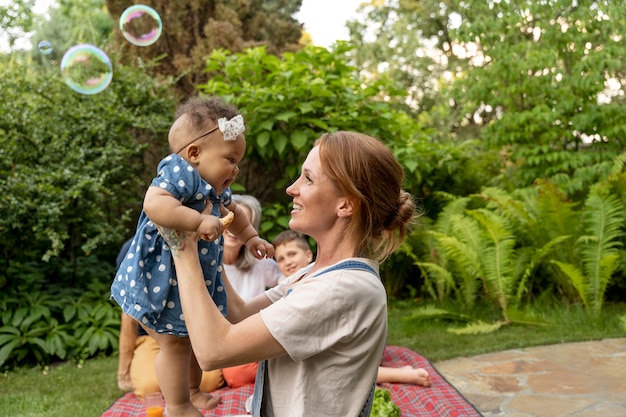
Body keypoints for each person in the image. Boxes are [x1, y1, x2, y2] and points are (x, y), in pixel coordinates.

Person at [165, 131, 420, 416]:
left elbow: (213, 352)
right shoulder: (314, 273)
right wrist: (209, 244)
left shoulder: (343, 288)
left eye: (308, 179)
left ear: (346, 204)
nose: (291, 188)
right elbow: (238, 312)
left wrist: (182, 247)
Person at [111, 96, 274, 417]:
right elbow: (154, 204)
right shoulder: (179, 173)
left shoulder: (214, 187)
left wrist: (251, 236)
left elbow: (236, 212)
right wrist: (198, 220)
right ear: (194, 154)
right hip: (159, 280)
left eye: (238, 160)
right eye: (230, 158)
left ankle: (194, 392)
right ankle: (178, 406)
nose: (236, 168)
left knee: (192, 339)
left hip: (187, 284)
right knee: (173, 345)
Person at [272, 230, 431, 387]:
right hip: (325, 346)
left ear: (308, 255)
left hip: (350, 346)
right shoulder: (282, 288)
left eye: (292, 254)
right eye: (281, 259)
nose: (287, 262)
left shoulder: (321, 279)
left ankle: (402, 374)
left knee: (331, 370)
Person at [221, 194, 284, 388]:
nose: (233, 230)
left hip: (256, 336)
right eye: (228, 220)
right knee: (234, 375)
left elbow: (286, 285)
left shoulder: (260, 263)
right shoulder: (208, 263)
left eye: (240, 223)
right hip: (223, 338)